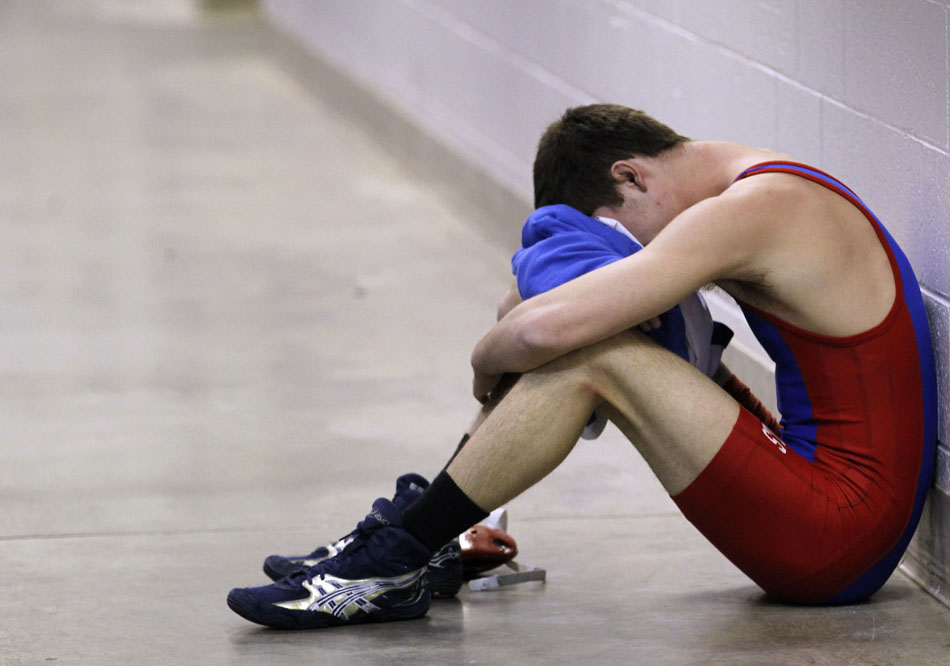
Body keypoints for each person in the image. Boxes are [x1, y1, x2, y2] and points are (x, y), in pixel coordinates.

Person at [226, 104, 937, 629]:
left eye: (613, 230)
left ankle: (401, 556)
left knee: (591, 352)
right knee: (591, 332)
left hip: (839, 535)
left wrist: (482, 360)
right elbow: (544, 304)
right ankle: (427, 535)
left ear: (631, 174)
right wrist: (529, 309)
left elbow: (547, 330)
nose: (621, 250)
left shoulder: (757, 210)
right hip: (830, 501)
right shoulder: (750, 191)